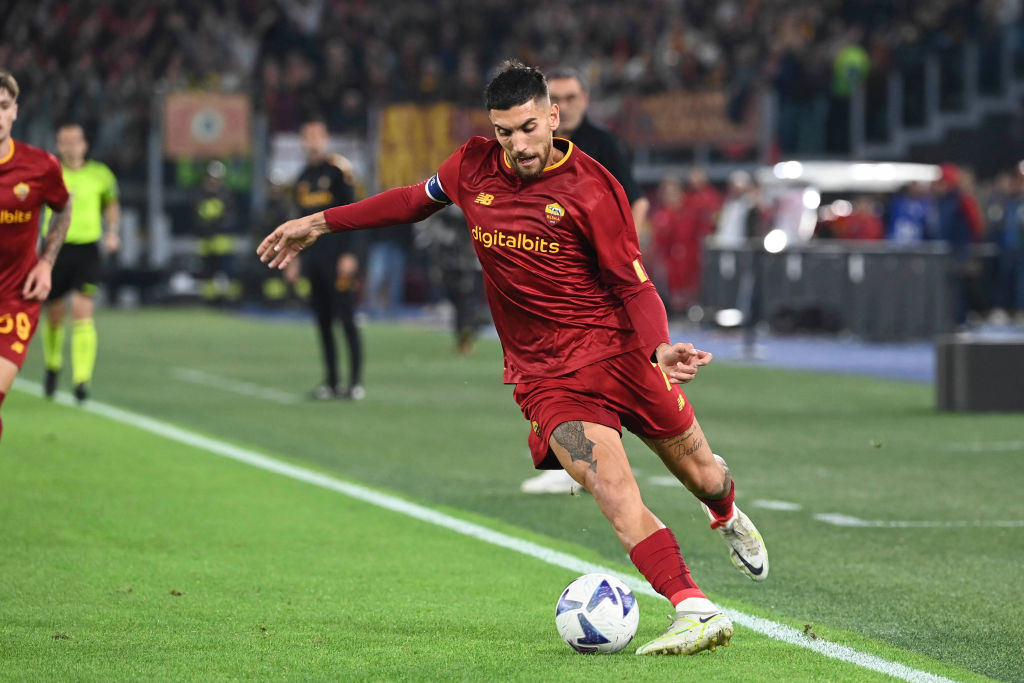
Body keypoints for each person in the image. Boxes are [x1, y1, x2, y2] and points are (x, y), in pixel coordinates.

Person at [258, 60, 768, 657]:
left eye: (528, 128)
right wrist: (318, 222)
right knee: (612, 487)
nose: (517, 145)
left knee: (705, 475)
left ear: (553, 117)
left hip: (623, 357)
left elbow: (634, 284)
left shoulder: (592, 187)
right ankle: (694, 608)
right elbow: (407, 201)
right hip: (548, 379)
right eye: (505, 131)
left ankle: (727, 514)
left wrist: (659, 345)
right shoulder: (472, 167)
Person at [522, 65, 650, 495]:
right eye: (556, 97)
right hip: (555, 281)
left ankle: (683, 449)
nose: (565, 104)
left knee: (614, 368)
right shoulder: (536, 147)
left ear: (586, 100)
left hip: (601, 278)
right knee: (560, 368)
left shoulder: (604, 145)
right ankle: (574, 461)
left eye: (572, 96)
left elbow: (637, 202)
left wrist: (626, 257)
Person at [0, 70, 71, 441]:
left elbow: (63, 206)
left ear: (15, 112)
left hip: (14, 299)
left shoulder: (40, 167)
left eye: (3, 106)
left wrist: (46, 261)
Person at [40, 123, 119, 402]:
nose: (70, 146)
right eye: (64, 142)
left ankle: (81, 380)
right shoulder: (50, 171)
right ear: (58, 145)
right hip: (55, 248)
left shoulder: (100, 174)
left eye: (75, 141)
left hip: (87, 249)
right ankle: (52, 365)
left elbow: (111, 202)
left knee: (83, 311)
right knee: (55, 314)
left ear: (84, 145)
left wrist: (112, 232)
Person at [287, 118, 364, 400]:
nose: (312, 141)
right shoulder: (302, 178)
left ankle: (355, 382)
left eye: (317, 135)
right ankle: (331, 382)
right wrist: (295, 258)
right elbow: (298, 223)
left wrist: (350, 253)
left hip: (338, 257)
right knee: (322, 321)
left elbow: (355, 213)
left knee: (346, 318)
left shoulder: (337, 171)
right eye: (307, 136)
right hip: (314, 259)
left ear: (326, 138)